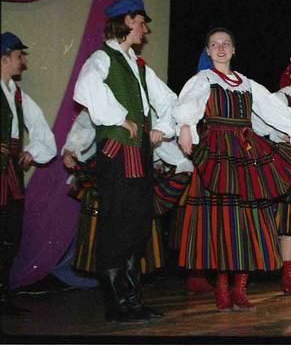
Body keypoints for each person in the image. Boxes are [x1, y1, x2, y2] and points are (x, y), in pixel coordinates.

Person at [174, 27, 291, 311]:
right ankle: (221, 287)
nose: (220, 48)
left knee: (248, 221)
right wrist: (185, 126)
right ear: (208, 51)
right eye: (214, 44)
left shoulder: (247, 84)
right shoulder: (203, 79)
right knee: (221, 221)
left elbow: (274, 111)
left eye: (226, 44)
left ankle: (240, 288)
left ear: (233, 49)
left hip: (245, 152)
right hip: (217, 154)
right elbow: (189, 104)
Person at [73, 0, 177, 323]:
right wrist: (118, 117)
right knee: (117, 224)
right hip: (118, 154)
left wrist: (162, 127)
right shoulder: (102, 57)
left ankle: (132, 301)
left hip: (140, 153)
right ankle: (117, 305)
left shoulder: (138, 65)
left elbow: (168, 100)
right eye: (141, 23)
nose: (145, 30)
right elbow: (86, 87)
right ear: (128, 21)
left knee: (137, 224)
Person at [62, 109, 193, 277]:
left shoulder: (146, 104)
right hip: (108, 169)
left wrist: (178, 161)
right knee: (107, 222)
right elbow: (85, 123)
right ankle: (111, 281)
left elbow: (157, 129)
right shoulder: (100, 99)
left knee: (136, 222)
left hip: (138, 171)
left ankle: (131, 280)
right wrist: (71, 148)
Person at [0, 32, 57, 316]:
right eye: (19, 56)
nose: (23, 61)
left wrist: (32, 151)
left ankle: (2, 297)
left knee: (10, 232)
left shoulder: (18, 95)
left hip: (9, 171)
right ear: (4, 58)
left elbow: (42, 131)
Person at [252, 64, 291, 296]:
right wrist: (276, 135)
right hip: (286, 165)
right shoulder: (281, 98)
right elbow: (257, 125)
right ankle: (288, 275)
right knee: (289, 222)